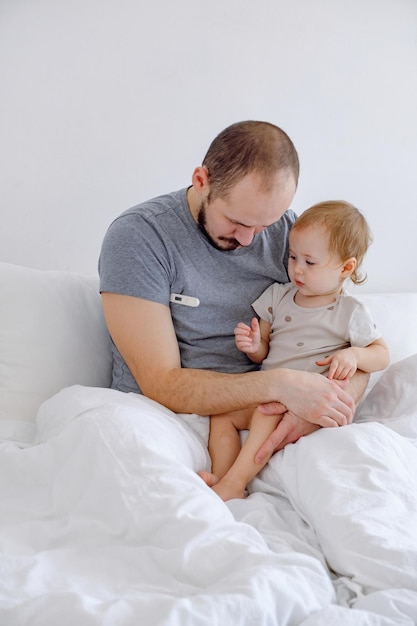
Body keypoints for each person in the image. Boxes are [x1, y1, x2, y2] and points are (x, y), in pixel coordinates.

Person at [99, 121, 368, 465]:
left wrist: (324, 406)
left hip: (264, 416)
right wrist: (280, 385)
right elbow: (161, 383)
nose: (249, 240)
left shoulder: (291, 237)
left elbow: (356, 342)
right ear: (202, 180)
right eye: (237, 222)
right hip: (161, 417)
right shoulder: (140, 237)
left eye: (264, 225)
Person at [199, 201, 390, 500]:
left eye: (309, 262)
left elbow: (381, 354)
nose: (297, 268)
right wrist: (253, 346)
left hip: (304, 403)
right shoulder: (279, 295)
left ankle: (235, 482)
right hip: (270, 388)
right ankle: (222, 475)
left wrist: (354, 355)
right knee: (221, 415)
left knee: (265, 413)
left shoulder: (349, 311)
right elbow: (262, 353)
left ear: (346, 267)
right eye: (292, 257)